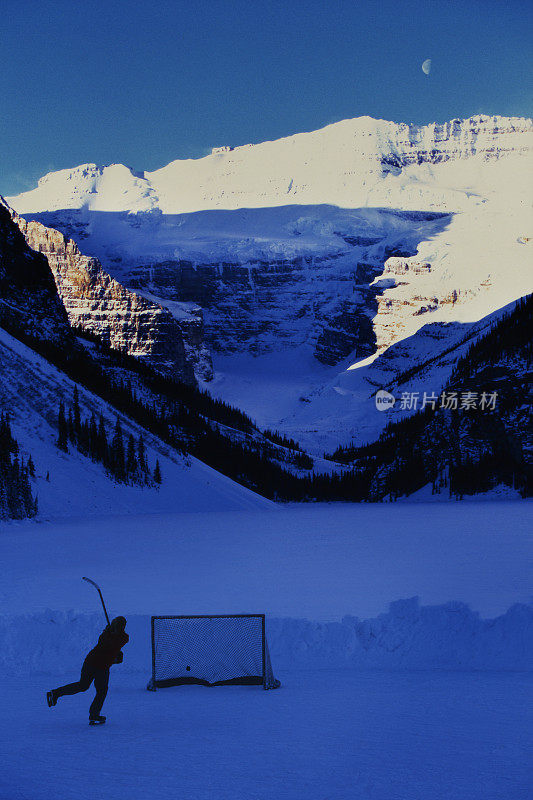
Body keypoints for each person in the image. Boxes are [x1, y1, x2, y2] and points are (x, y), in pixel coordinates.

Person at [47, 616, 128, 725]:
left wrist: (110, 632)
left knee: (84, 686)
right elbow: (107, 644)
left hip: (92, 663)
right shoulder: (106, 635)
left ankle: (56, 693)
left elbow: (114, 644)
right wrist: (108, 632)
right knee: (100, 690)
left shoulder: (123, 637)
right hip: (98, 665)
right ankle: (94, 714)